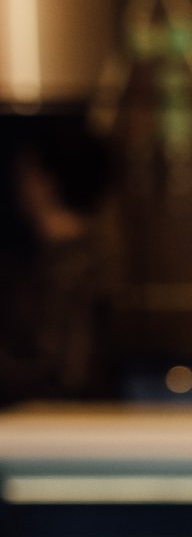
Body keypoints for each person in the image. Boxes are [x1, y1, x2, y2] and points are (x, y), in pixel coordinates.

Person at [0, 117, 114, 403]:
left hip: (58, 431)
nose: (18, 183)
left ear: (45, 181)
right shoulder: (93, 259)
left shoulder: (71, 270)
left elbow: (66, 376)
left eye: (25, 173)